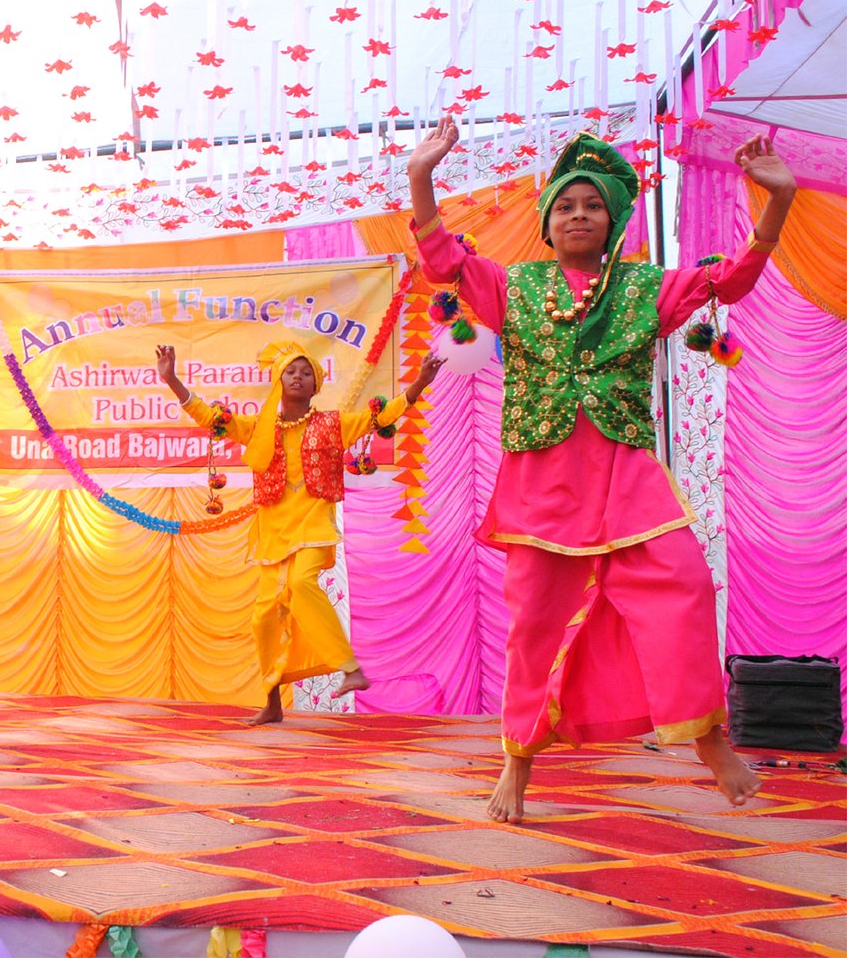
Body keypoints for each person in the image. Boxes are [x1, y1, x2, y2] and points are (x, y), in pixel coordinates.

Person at [406, 121, 796, 823]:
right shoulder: (511, 284)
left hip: (626, 477)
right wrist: (421, 177)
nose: (578, 214)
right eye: (564, 205)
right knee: (534, 625)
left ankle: (709, 742)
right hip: (541, 485)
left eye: (592, 205)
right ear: (547, 224)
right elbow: (442, 261)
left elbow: (731, 281)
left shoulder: (646, 287)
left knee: (683, 587)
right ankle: (517, 762)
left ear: (613, 221)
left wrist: (779, 202)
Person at [155, 339, 442, 725]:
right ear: (279, 380)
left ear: (315, 385)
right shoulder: (260, 429)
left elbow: (381, 417)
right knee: (264, 619)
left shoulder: (333, 424)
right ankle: (273, 701)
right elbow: (210, 417)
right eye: (290, 371)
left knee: (303, 583)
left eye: (306, 372)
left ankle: (349, 667)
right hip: (274, 532)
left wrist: (420, 382)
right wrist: (172, 380)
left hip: (313, 523)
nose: (298, 377)